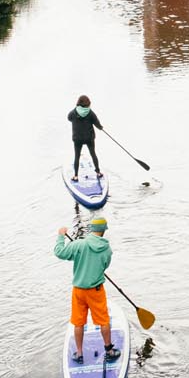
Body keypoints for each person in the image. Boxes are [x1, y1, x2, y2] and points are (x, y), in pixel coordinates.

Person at [54, 217, 121, 362]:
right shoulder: (107, 250)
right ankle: (109, 350)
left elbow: (59, 252)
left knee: (78, 322)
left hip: (78, 291)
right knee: (103, 321)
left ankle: (79, 354)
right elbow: (104, 266)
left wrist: (61, 236)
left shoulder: (78, 245)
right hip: (96, 291)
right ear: (103, 231)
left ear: (91, 229)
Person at [67, 94, 103, 181]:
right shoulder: (90, 113)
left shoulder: (73, 112)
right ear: (88, 103)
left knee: (77, 156)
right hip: (89, 138)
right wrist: (101, 127)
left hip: (77, 139)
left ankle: (75, 176)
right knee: (93, 154)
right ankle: (98, 172)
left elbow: (69, 118)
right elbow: (97, 124)